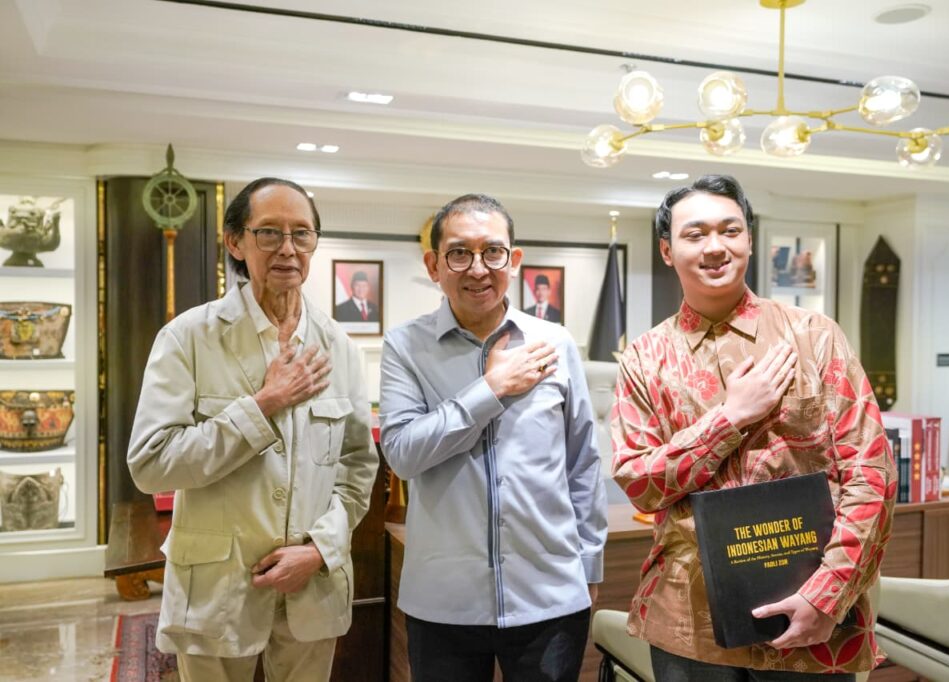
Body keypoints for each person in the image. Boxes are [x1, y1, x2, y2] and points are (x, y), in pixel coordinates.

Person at [610, 175, 896, 681]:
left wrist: (827, 593)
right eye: (695, 234)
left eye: (730, 230)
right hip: (688, 624)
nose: (715, 247)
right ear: (666, 251)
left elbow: (871, 472)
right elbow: (639, 482)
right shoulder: (646, 358)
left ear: (749, 239)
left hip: (808, 616)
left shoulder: (813, 337)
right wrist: (730, 418)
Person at [127, 177, 379, 682]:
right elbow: (151, 465)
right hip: (216, 590)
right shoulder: (188, 337)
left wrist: (319, 549)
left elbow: (356, 471)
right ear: (235, 241)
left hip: (312, 589)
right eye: (269, 233)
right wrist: (263, 405)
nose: (287, 249)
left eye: (301, 234)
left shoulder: (339, 347)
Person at [379, 193, 607, 682]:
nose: (477, 268)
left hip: (549, 596)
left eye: (493, 252)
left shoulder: (555, 344)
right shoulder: (406, 346)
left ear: (514, 260)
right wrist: (491, 389)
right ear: (434, 264)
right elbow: (402, 455)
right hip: (444, 603)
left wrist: (590, 566)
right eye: (459, 253)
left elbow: (582, 464)